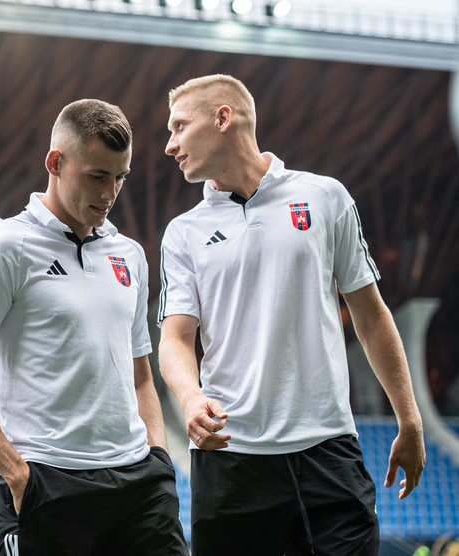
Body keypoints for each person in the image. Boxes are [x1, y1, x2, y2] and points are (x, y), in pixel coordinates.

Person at [158, 73, 425, 555]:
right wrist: (191, 398)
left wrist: (410, 419)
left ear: (223, 118)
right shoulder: (183, 232)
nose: (170, 145)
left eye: (179, 126)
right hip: (231, 458)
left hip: (328, 450)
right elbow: (176, 337)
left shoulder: (325, 197)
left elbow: (370, 316)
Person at [0, 99, 188, 555]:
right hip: (47, 482)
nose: (110, 192)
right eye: (97, 176)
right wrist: (17, 475)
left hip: (140, 485)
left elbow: (140, 375)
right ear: (55, 163)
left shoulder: (129, 254)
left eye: (120, 177)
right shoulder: (1, 250)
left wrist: (159, 459)